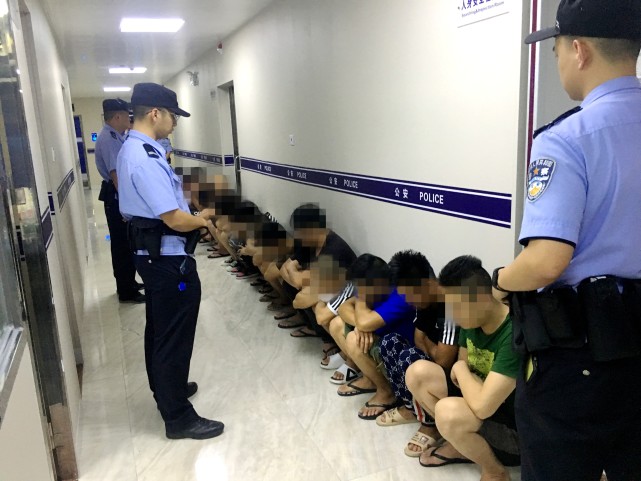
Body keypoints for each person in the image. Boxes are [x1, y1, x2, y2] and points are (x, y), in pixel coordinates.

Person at [493, 2, 641, 480]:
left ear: (578, 50)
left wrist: (501, 281)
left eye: (556, 50)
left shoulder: (567, 138)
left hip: (581, 360)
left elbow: (546, 261)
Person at [117, 82, 223, 440]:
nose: (175, 123)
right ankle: (178, 417)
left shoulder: (136, 148)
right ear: (155, 113)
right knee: (173, 336)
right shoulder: (144, 158)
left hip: (153, 256)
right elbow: (174, 219)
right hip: (165, 259)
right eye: (173, 116)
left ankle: (168, 390)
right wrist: (202, 220)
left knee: (160, 330)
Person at [408, 256, 520, 480]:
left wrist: (460, 368)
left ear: (482, 299)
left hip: (512, 432)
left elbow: (482, 406)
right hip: (478, 399)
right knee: (416, 373)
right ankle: (462, 442)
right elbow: (461, 376)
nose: (454, 317)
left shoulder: (513, 334)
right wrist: (464, 372)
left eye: (457, 307)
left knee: (448, 413)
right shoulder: (473, 319)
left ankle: (495, 471)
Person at [375, 250, 459, 459]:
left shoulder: (451, 307)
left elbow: (444, 360)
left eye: (410, 294)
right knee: (389, 342)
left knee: (411, 358)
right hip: (432, 367)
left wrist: (428, 347)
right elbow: (418, 338)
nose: (408, 301)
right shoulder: (424, 303)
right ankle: (411, 408)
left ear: (428, 283)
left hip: (453, 379)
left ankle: (431, 424)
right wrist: (431, 347)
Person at [94, 98, 144, 303]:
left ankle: (128, 282)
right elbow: (117, 177)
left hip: (117, 196)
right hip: (116, 197)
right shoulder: (109, 138)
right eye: (126, 115)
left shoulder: (116, 136)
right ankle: (126, 290)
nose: (129, 119)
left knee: (126, 243)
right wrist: (126, 207)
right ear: (117, 116)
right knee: (122, 245)